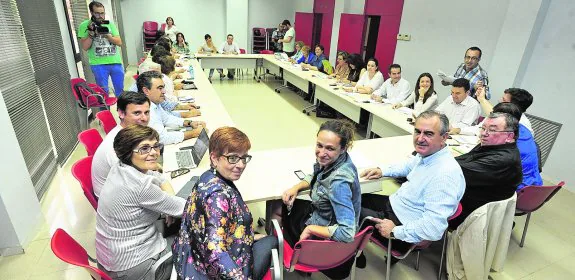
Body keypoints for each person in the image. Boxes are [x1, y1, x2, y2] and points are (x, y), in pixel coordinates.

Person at [359, 111, 465, 264]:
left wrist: (395, 232)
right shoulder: (430, 155)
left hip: (401, 229)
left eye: (428, 133)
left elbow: (434, 228)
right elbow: (408, 165)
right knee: (357, 196)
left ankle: (352, 257)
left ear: (444, 137)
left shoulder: (444, 176)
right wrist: (383, 170)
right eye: (417, 131)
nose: (420, 138)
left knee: (343, 208)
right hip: (398, 208)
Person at [172, 127, 277, 280]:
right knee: (272, 240)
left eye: (244, 158)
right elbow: (215, 253)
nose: (241, 165)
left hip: (191, 256)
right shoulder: (218, 197)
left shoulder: (207, 177)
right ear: (214, 158)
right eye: (233, 158)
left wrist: (247, 236)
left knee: (262, 238)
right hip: (212, 271)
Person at [96, 124, 186, 280]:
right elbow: (186, 208)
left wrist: (168, 204)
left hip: (113, 259)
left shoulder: (121, 167)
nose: (154, 153)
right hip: (133, 268)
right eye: (144, 149)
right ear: (128, 152)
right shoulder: (140, 187)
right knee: (195, 243)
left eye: (156, 146)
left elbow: (159, 177)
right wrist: (170, 205)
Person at [280, 120, 361, 279]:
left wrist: (310, 229)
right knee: (291, 206)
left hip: (325, 238)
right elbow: (317, 175)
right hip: (324, 216)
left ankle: (297, 259)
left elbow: (347, 233)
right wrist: (296, 187)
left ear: (343, 148)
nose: (322, 153)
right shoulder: (340, 160)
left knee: (281, 211)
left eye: (330, 148)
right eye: (319, 145)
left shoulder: (339, 184)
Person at [449, 112, 522, 228]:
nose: (484, 134)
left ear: (509, 136)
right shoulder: (492, 145)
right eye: (483, 128)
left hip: (472, 214)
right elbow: (463, 161)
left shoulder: (503, 160)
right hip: (472, 197)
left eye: (492, 130)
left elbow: (454, 172)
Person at [92, 92, 150, 197]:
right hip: (116, 201)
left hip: (124, 187)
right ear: (121, 113)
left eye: (146, 112)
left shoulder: (129, 133)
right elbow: (134, 185)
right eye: (137, 113)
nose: (144, 118)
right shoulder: (116, 146)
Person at [137, 71, 205, 145]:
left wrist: (189, 123)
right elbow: (162, 138)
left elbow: (167, 119)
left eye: (163, 87)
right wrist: (193, 133)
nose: (164, 91)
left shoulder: (154, 103)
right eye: (160, 88)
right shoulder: (145, 110)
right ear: (146, 91)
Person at [78, 1, 124, 97]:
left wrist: (108, 36)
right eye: (97, 13)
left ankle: (122, 111)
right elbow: (85, 47)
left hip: (115, 62)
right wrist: (91, 34)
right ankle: (104, 112)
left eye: (102, 13)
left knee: (120, 91)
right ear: (91, 13)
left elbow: (119, 42)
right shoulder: (85, 25)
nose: (100, 16)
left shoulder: (109, 24)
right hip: (98, 64)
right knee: (103, 93)